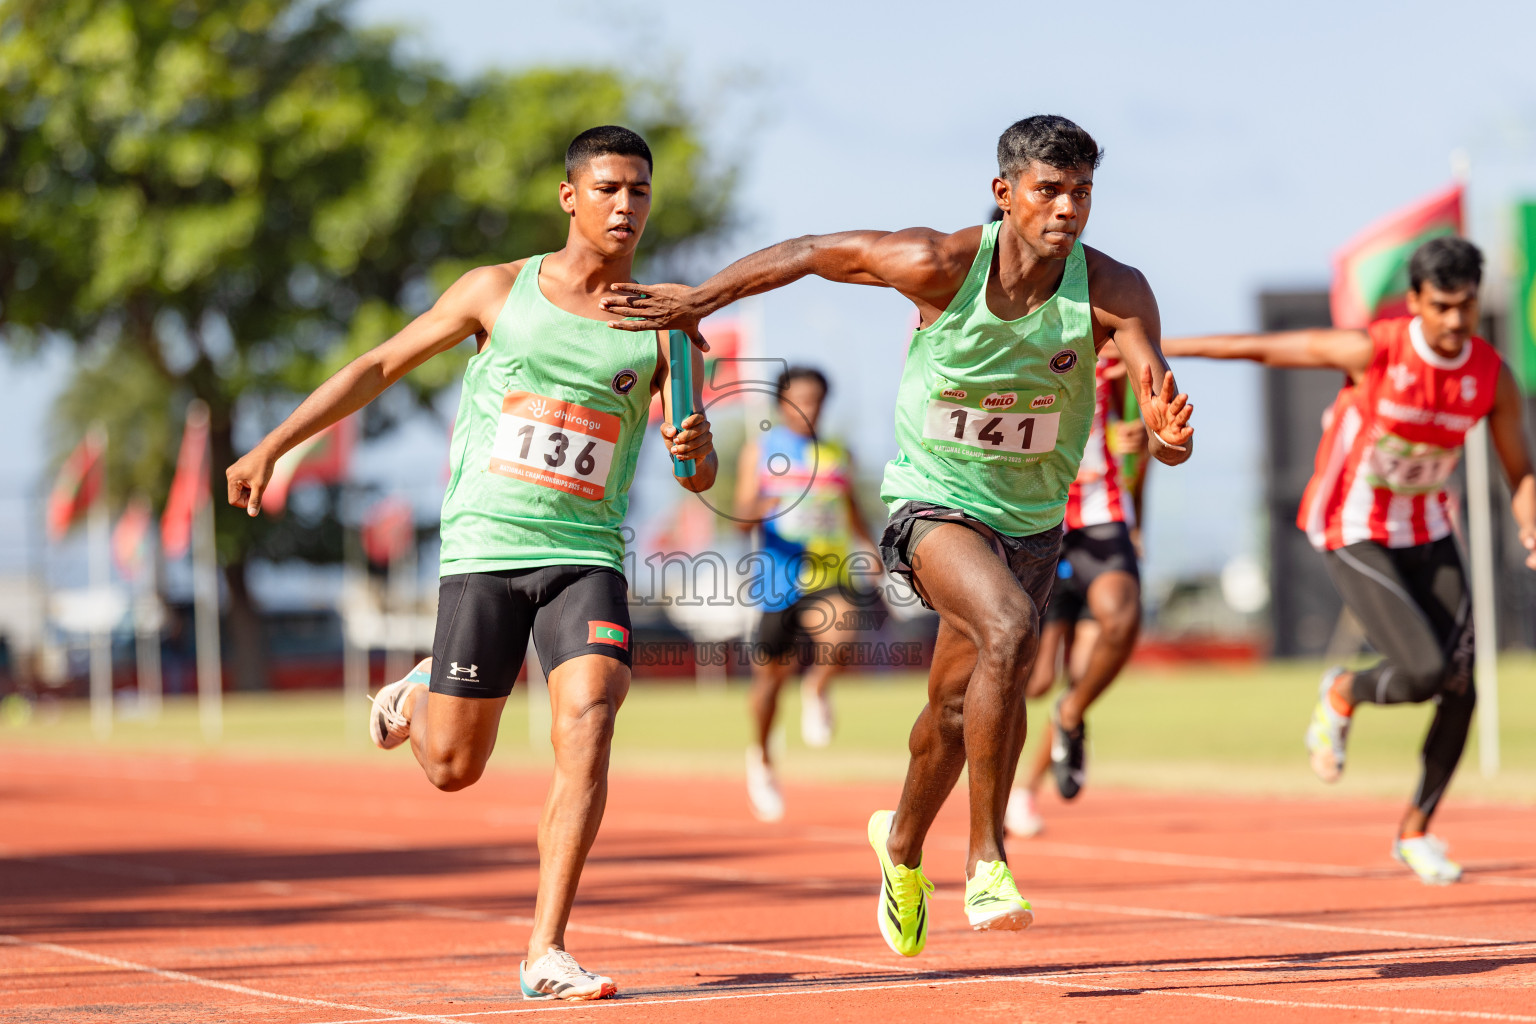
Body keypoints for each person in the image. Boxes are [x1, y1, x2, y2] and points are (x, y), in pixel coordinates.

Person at [597, 114, 1194, 955]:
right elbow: (808, 250)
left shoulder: (1114, 291)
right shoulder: (940, 265)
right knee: (1011, 631)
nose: (1067, 208)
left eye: (1082, 193)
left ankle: (901, 846)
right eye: (1049, 190)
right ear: (1005, 194)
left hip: (1032, 521)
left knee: (957, 708)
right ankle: (988, 858)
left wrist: (1171, 438)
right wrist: (699, 298)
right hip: (934, 504)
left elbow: (1162, 419)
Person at [225, 126, 717, 999]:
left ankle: (546, 951)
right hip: (487, 549)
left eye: (640, 192)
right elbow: (379, 364)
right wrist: (273, 447)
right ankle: (420, 696)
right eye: (608, 189)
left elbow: (694, 469)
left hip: (586, 554)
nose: (625, 206)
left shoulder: (665, 322)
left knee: (592, 715)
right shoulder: (497, 291)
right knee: (453, 768)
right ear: (570, 196)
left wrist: (697, 443)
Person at [1162, 236, 1536, 885]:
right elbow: (1262, 349)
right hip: (1352, 524)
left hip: (1427, 527)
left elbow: (1520, 473)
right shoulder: (1377, 350)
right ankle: (1343, 688)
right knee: (1423, 671)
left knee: (1463, 685)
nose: (1454, 322)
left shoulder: (1491, 374)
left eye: (1467, 307)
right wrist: (1156, 348)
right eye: (1442, 306)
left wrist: (1531, 522)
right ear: (1415, 301)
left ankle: (1416, 830)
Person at [1005, 344, 1149, 837]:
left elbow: (1140, 439)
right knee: (1039, 677)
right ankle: (1007, 783)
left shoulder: (1115, 364)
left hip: (1102, 515)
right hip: (1040, 522)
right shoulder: (1017, 356)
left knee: (1117, 623)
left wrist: (1138, 517)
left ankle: (1038, 770)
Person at [735, 365, 880, 821]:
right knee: (770, 682)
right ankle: (760, 759)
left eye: (816, 399)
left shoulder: (838, 453)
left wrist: (869, 547)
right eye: (800, 399)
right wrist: (771, 498)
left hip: (829, 570)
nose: (809, 408)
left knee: (842, 634)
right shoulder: (762, 449)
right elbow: (740, 517)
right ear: (782, 403)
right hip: (778, 577)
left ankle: (817, 687)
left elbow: (851, 505)